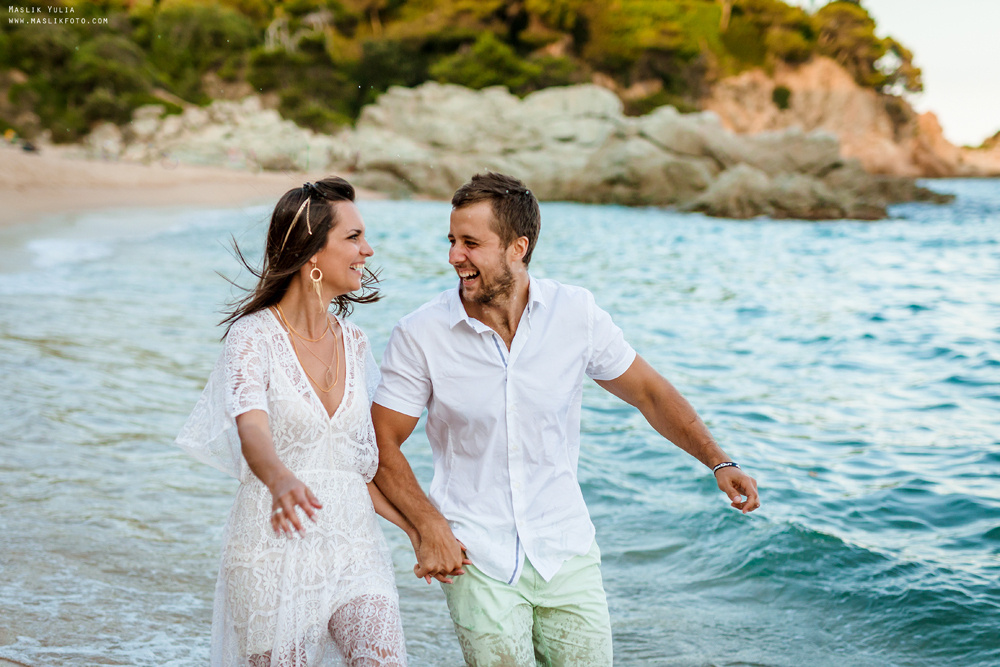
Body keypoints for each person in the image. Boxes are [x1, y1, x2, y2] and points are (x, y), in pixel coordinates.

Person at [371, 172, 761, 665]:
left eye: (470, 243)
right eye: (451, 241)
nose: (454, 257)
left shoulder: (574, 313)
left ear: (518, 247)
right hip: (476, 555)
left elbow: (650, 393)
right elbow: (381, 442)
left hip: (566, 549)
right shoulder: (421, 333)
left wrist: (719, 462)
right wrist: (430, 527)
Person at [175, 177, 413, 667]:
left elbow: (353, 468)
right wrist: (281, 479)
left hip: (353, 550)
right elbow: (252, 428)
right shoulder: (252, 337)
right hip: (270, 550)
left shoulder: (357, 342)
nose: (367, 250)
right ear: (311, 255)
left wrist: (418, 531)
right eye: (353, 238)